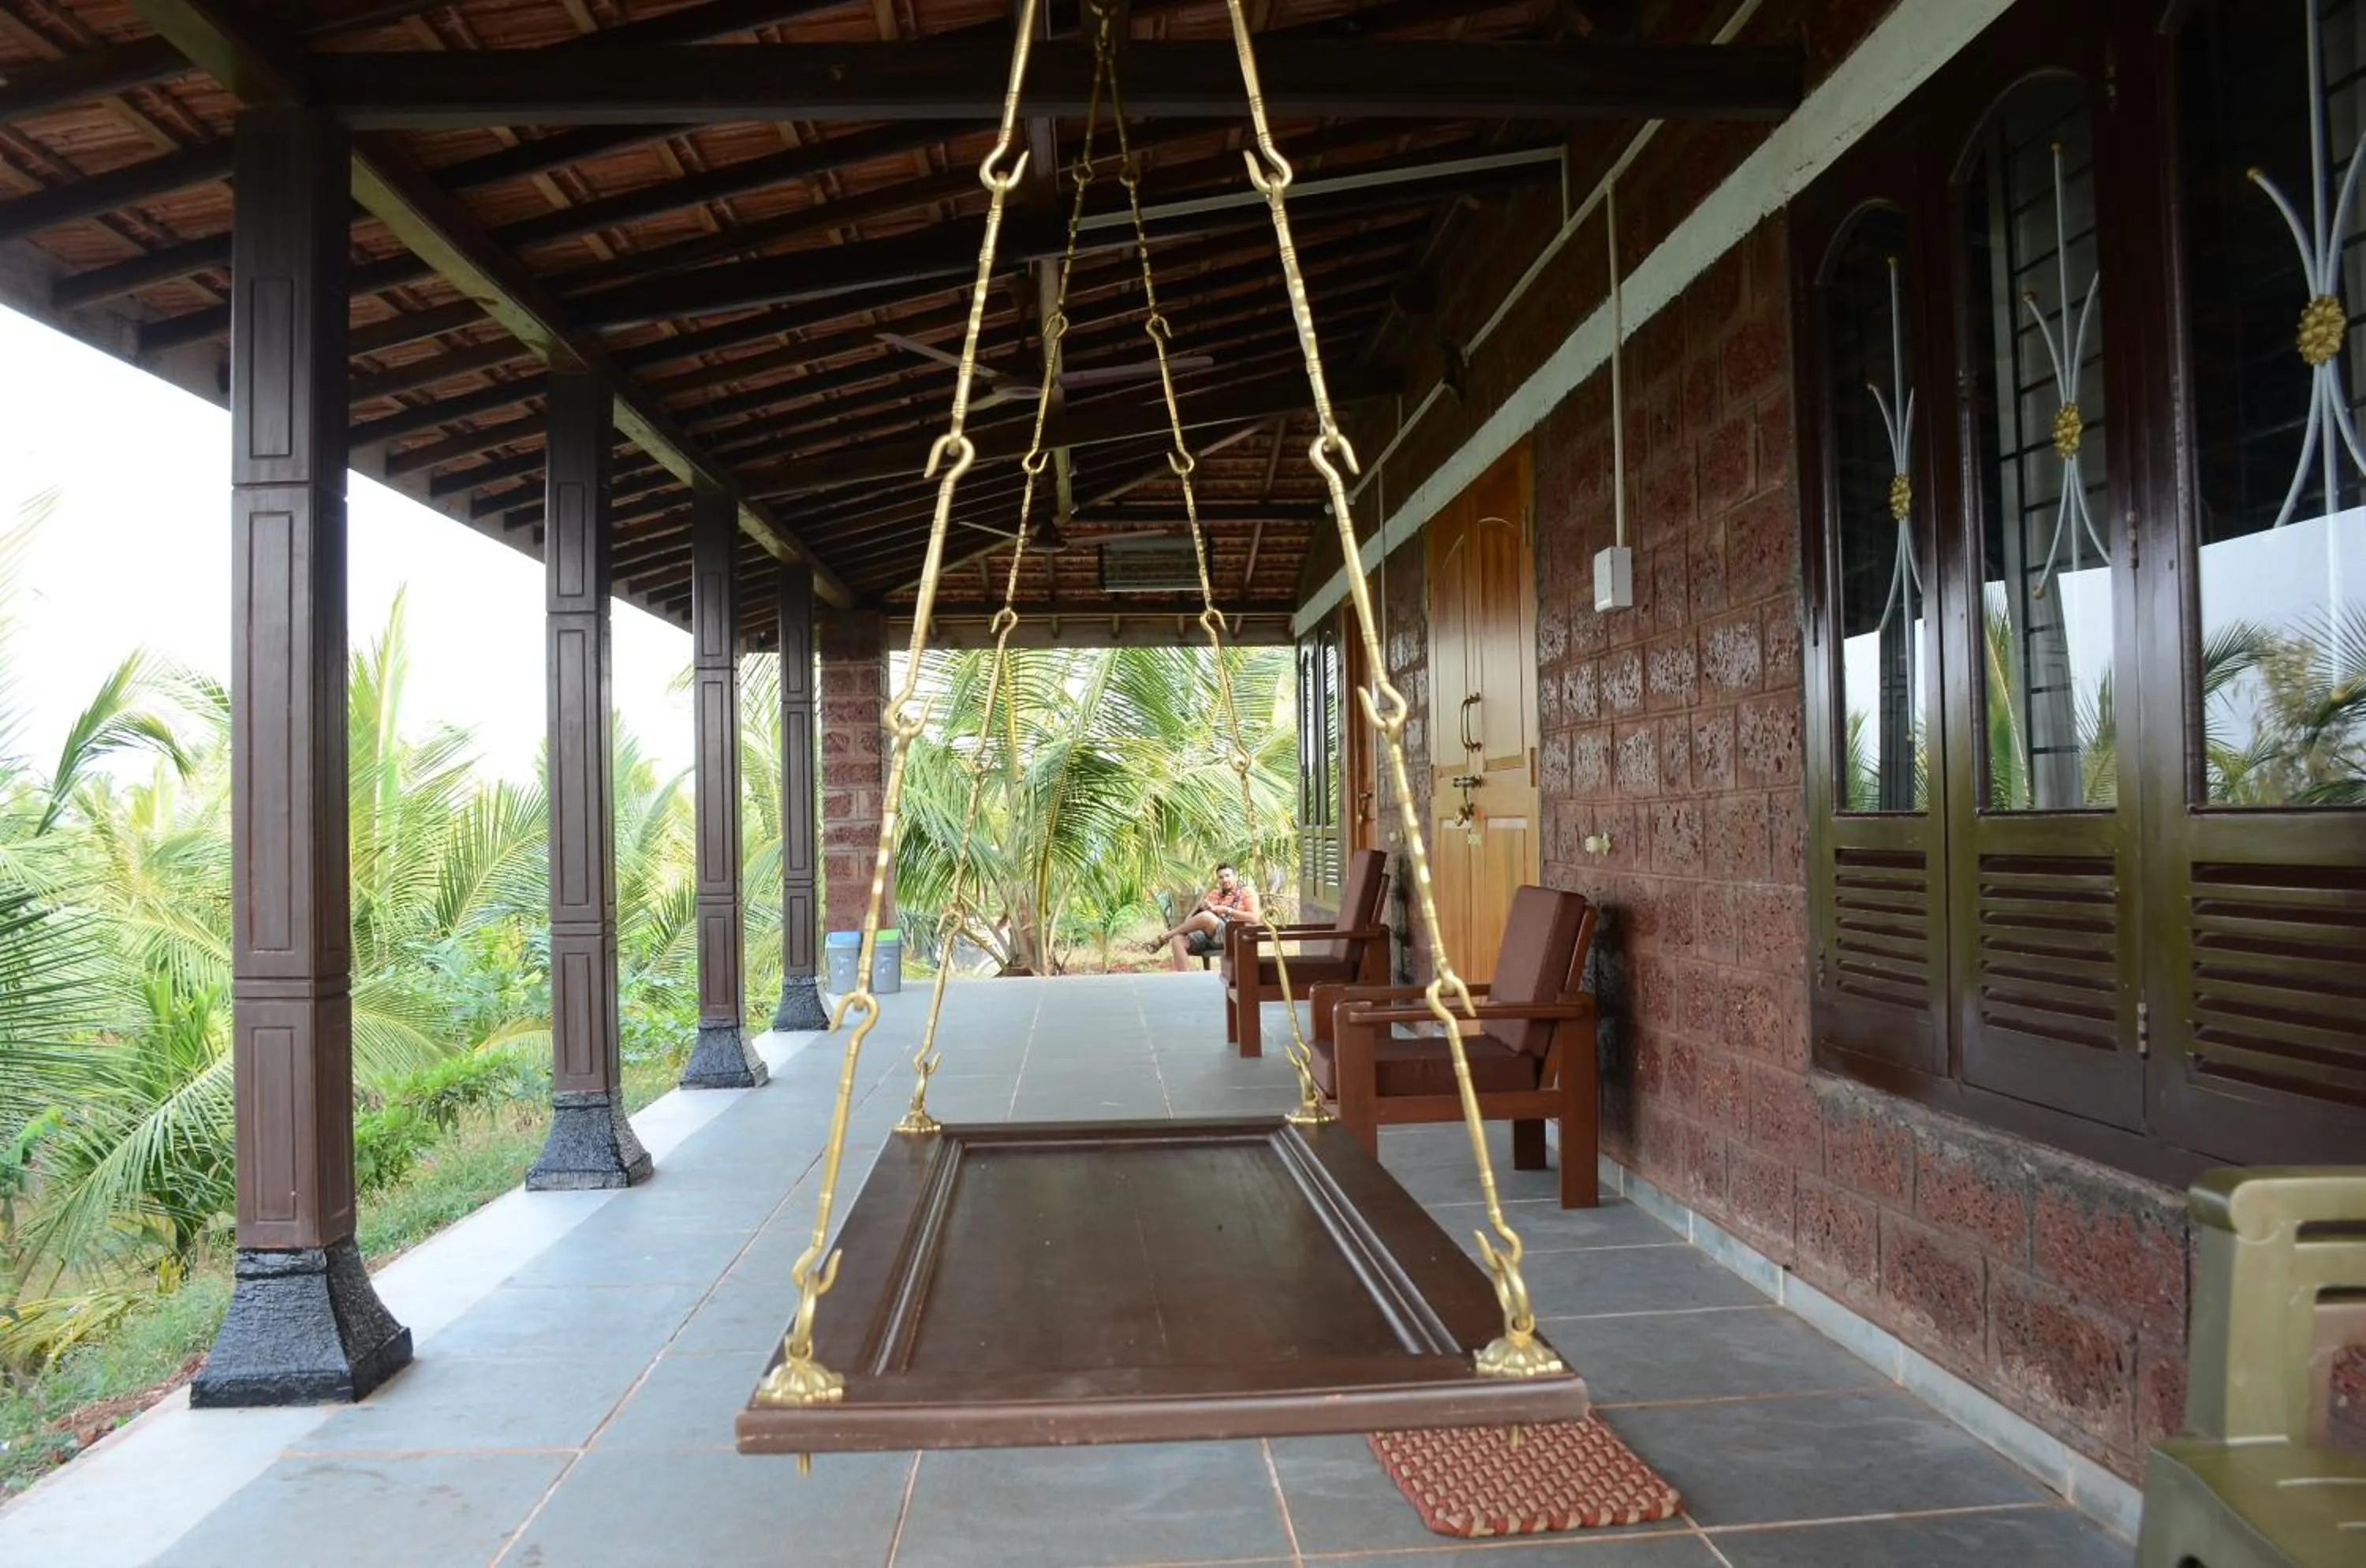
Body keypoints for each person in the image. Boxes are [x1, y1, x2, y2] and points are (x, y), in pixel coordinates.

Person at [1154, 862, 1261, 972]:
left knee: (1207, 917)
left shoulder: (1247, 892)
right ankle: (1187, 978)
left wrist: (1227, 910)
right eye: (1221, 877)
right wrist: (1199, 908)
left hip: (1233, 935)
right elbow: (1189, 920)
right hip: (1209, 936)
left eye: (1227, 876)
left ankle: (1167, 936)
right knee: (1178, 939)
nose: (1224, 880)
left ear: (1235, 876)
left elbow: (1255, 918)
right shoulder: (1214, 894)